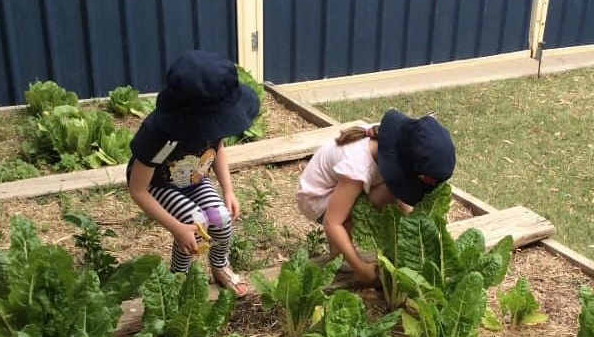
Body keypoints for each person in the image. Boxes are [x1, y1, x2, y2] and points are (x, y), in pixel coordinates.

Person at [127, 49, 260, 297]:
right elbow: (138, 190)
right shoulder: (159, 136)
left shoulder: (214, 124)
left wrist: (228, 190)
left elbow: (217, 149)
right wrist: (176, 227)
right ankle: (179, 278)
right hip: (159, 186)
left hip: (195, 179)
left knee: (221, 217)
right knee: (194, 223)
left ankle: (220, 265)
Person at [297, 109, 456, 285]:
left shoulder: (391, 142)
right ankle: (339, 255)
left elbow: (405, 202)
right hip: (317, 200)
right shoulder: (358, 167)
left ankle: (343, 245)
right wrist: (361, 269)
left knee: (395, 198)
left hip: (343, 187)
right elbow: (331, 223)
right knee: (382, 197)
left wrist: (420, 235)